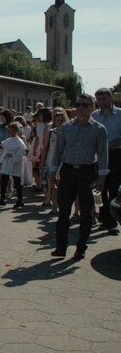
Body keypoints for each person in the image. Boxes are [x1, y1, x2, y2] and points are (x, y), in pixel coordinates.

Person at [49, 93, 109, 259]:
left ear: (92, 108)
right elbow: (58, 151)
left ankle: (80, 247)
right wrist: (53, 172)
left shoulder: (99, 129)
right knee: (63, 212)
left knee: (86, 213)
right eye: (78, 104)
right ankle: (61, 247)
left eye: (84, 105)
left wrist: (102, 177)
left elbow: (103, 155)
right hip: (68, 171)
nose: (80, 108)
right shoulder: (66, 128)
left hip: (87, 172)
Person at [92, 88, 121, 235]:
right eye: (98, 99)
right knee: (98, 189)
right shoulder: (94, 116)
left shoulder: (119, 114)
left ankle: (112, 220)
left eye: (104, 98)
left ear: (110, 98)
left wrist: (111, 144)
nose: (101, 102)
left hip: (116, 155)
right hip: (98, 156)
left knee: (113, 188)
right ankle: (103, 216)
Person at [0, 123, 26, 208]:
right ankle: (2, 198)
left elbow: (21, 155)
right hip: (7, 162)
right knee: (4, 180)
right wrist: (1, 160)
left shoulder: (19, 142)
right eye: (8, 131)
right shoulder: (8, 141)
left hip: (15, 163)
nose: (10, 133)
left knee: (17, 181)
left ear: (16, 131)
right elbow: (4, 151)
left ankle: (20, 200)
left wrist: (13, 156)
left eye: (11, 131)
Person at [43, 108, 68, 213]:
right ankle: (54, 206)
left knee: (64, 184)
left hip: (64, 160)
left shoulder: (68, 132)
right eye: (57, 121)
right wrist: (43, 161)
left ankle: (64, 206)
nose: (59, 123)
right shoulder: (51, 132)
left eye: (61, 120)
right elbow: (45, 147)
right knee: (52, 183)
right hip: (52, 159)